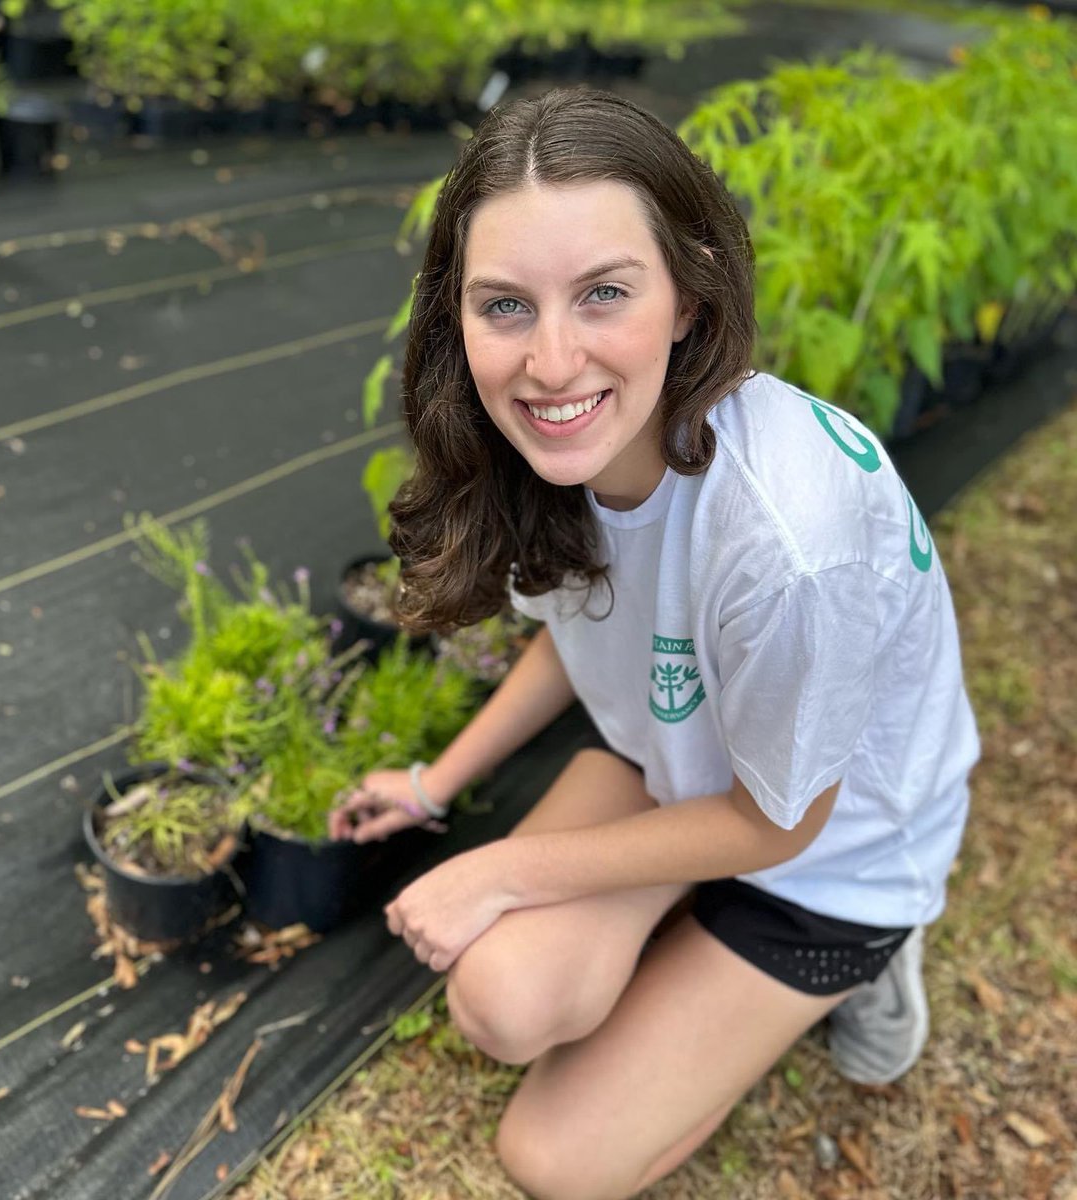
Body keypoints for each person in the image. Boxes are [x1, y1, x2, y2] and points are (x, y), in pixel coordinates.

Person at [327, 88, 980, 1200]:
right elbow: (572, 632)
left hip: (826, 863)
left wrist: (499, 870)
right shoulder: (574, 452)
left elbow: (782, 822)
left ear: (686, 296)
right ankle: (680, 937)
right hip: (685, 775)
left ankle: (859, 969)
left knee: (553, 1161)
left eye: (604, 294)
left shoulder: (787, 540)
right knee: (503, 1004)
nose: (551, 362)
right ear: (458, 318)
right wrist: (436, 786)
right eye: (505, 307)